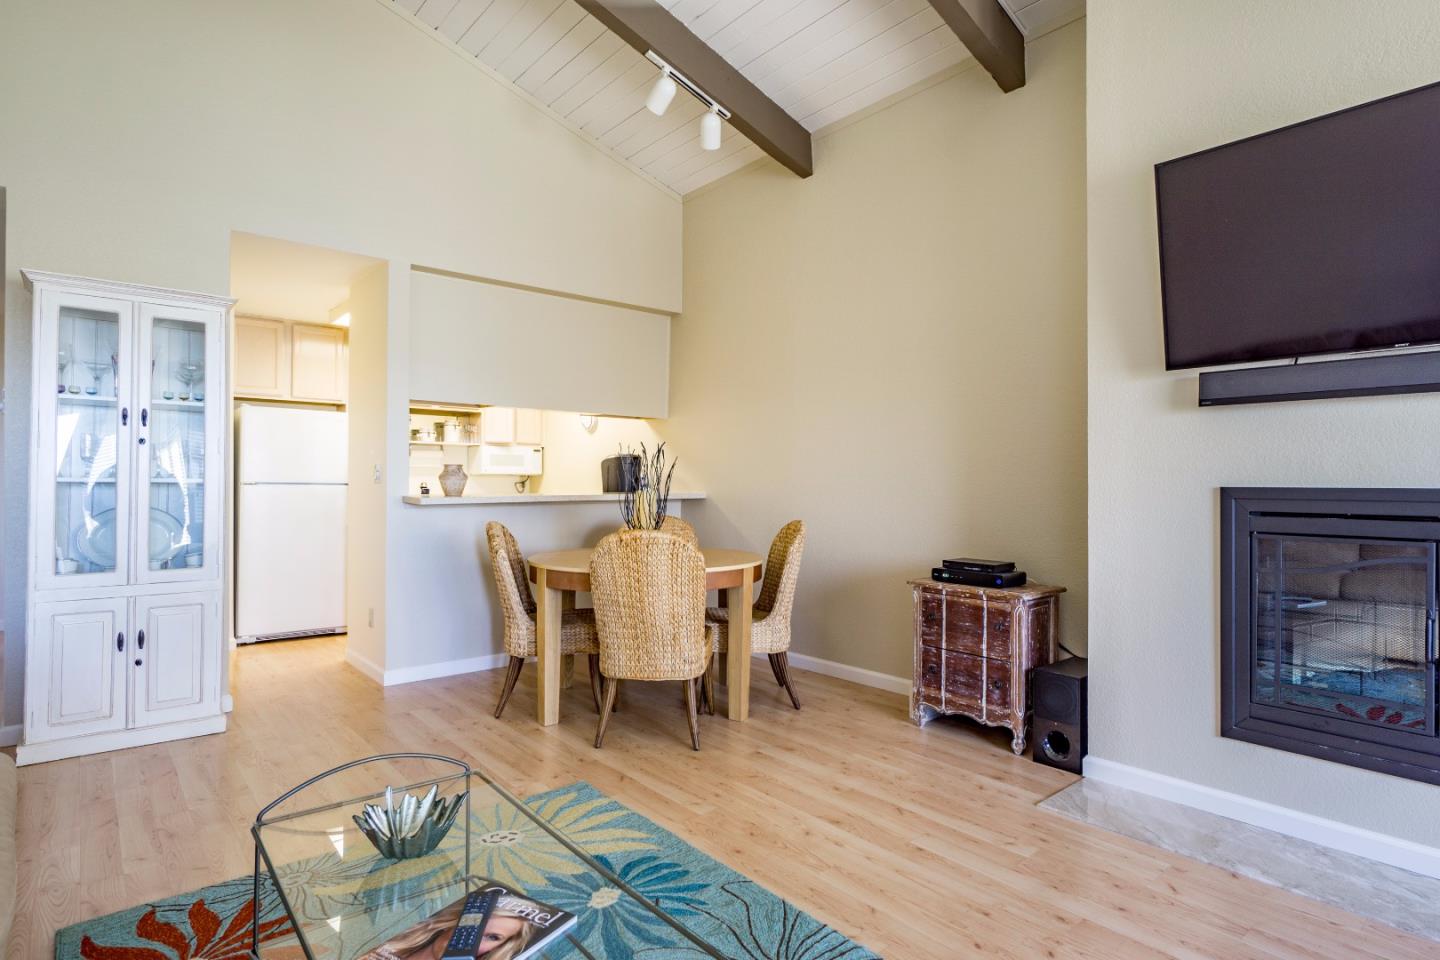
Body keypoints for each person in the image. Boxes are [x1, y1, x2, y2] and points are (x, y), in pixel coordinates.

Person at [364, 902, 536, 960]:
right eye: (472, 927)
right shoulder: (387, 949)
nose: (472, 940)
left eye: (492, 937)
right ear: (451, 922)